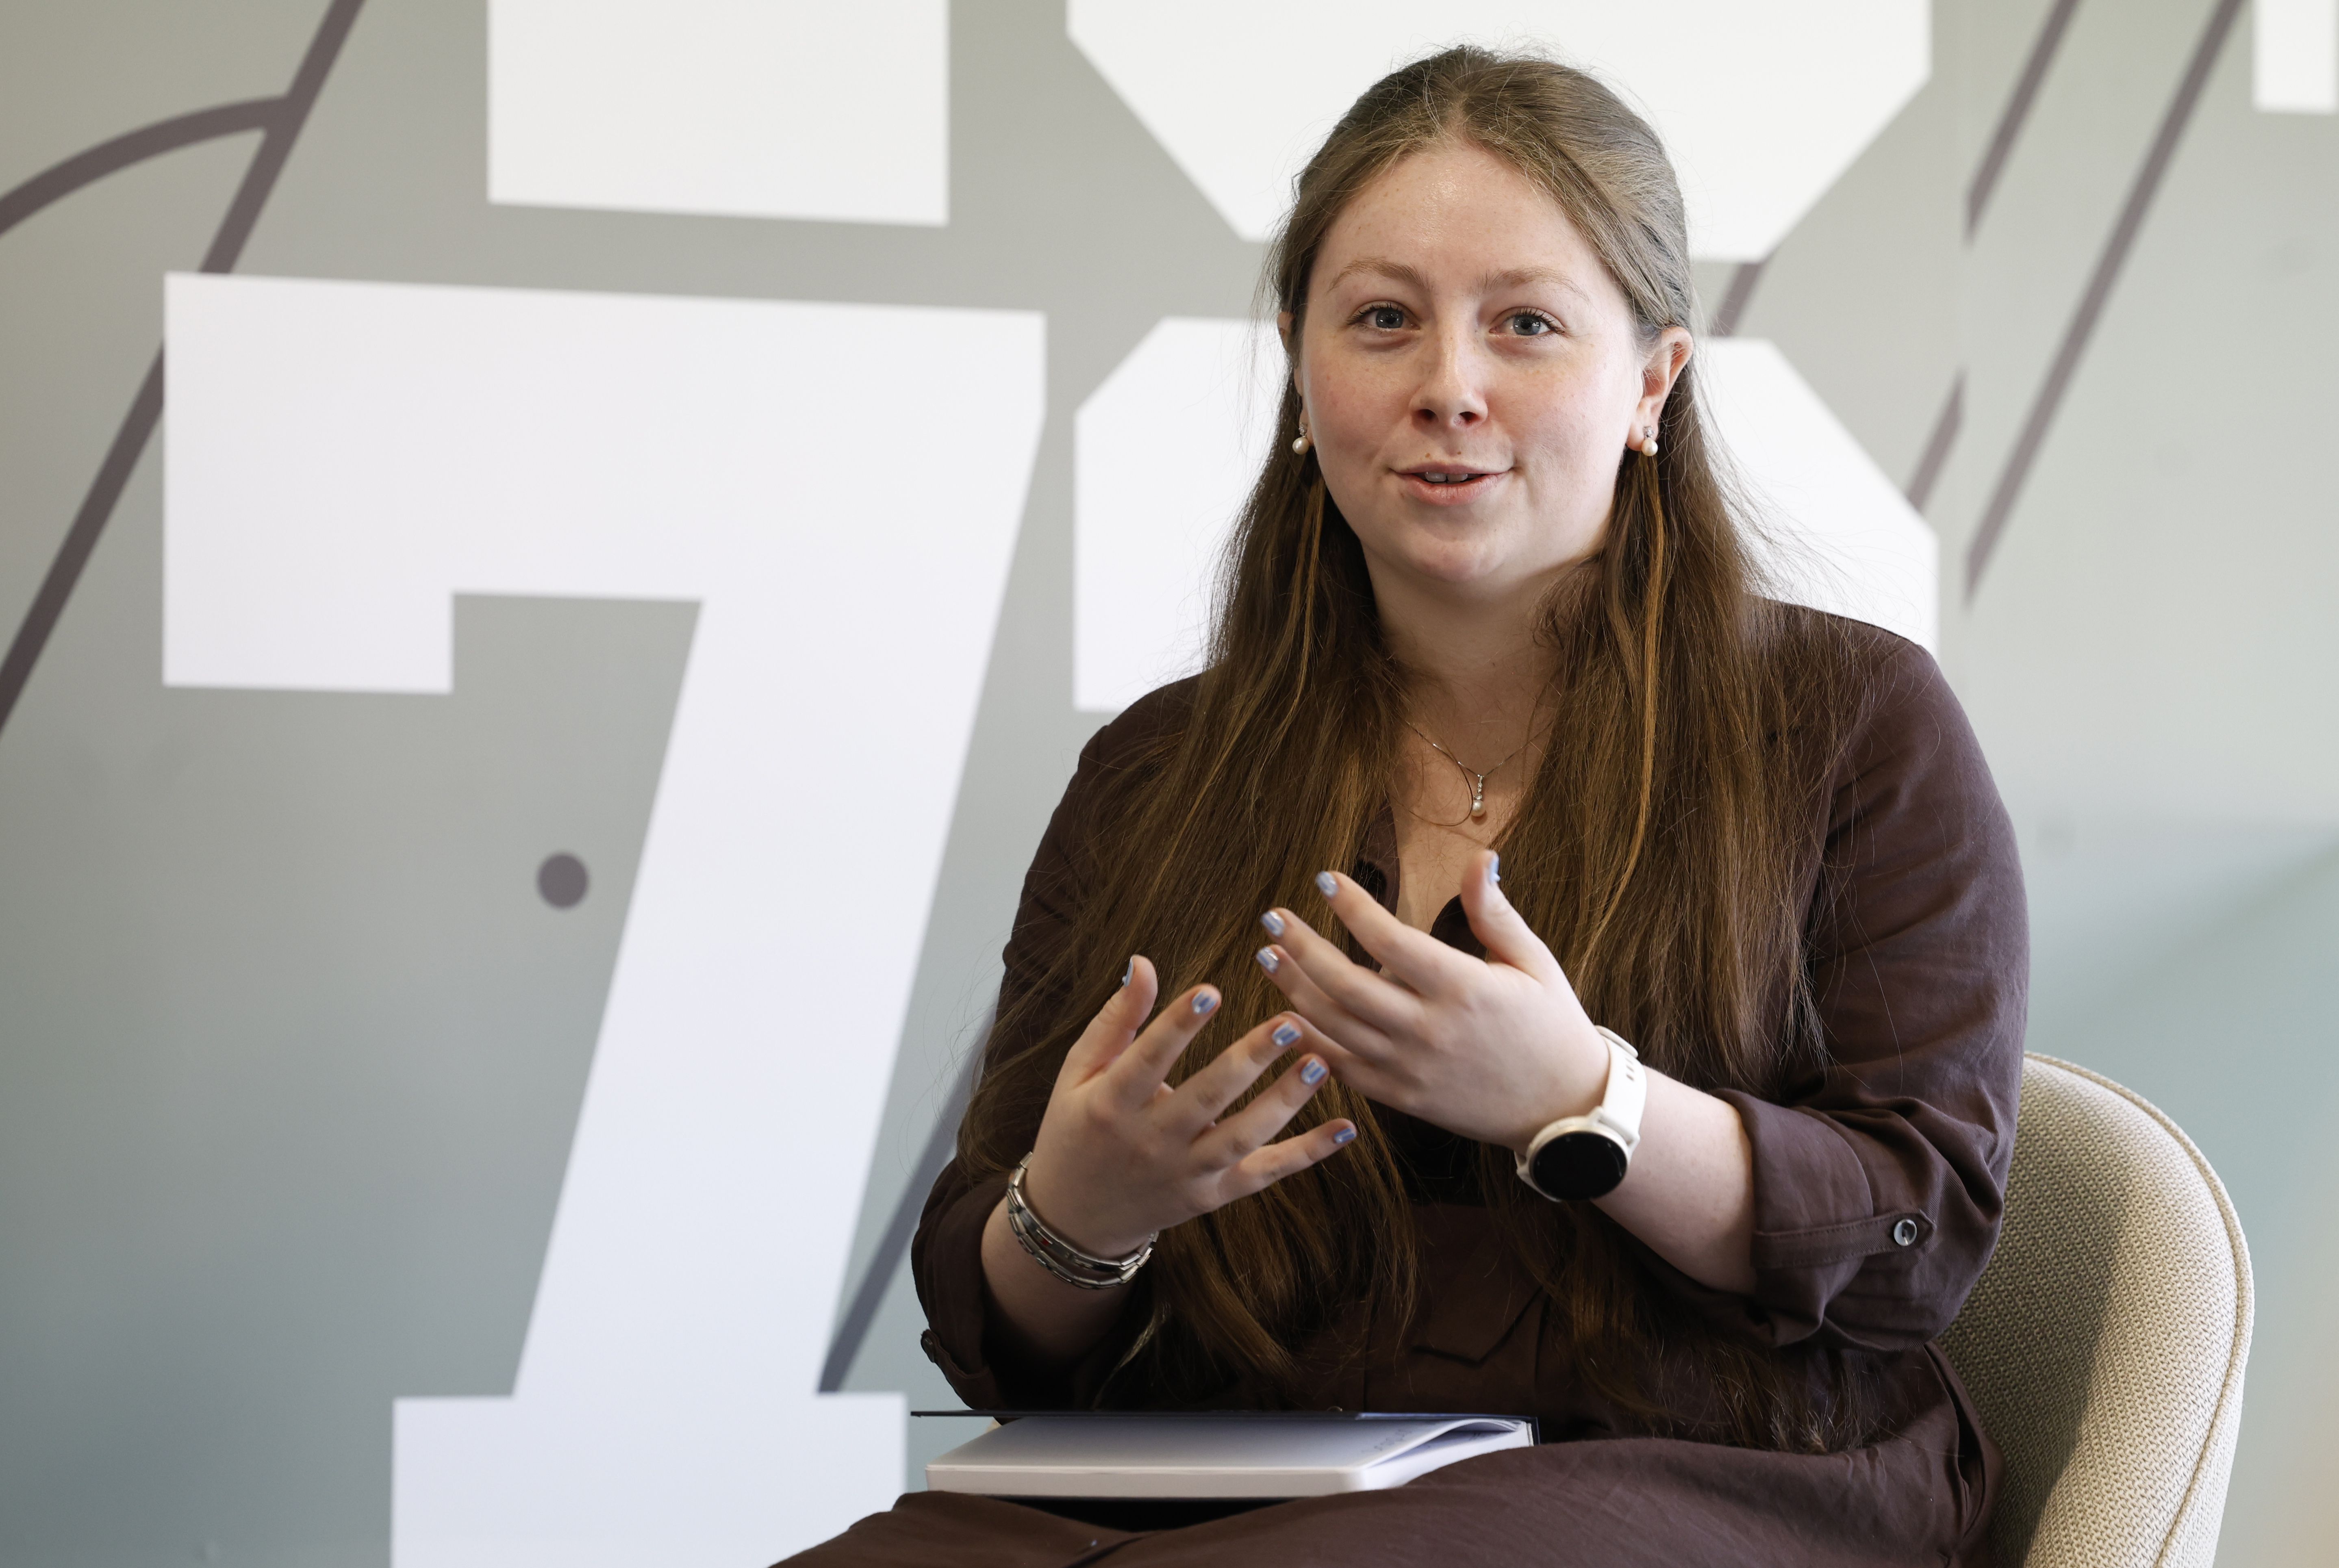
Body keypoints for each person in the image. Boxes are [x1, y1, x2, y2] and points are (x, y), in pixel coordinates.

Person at [788, 44, 2024, 1568]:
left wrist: (1589, 1103)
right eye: (1383, 319)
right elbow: (1005, 1335)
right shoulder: (1159, 771)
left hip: (1714, 1468)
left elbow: (1915, 1231)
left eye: (1525, 324)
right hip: (1242, 1483)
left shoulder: (1852, 720)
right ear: (1302, 375)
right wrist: (1080, 1213)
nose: (1448, 386)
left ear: (1651, 382)